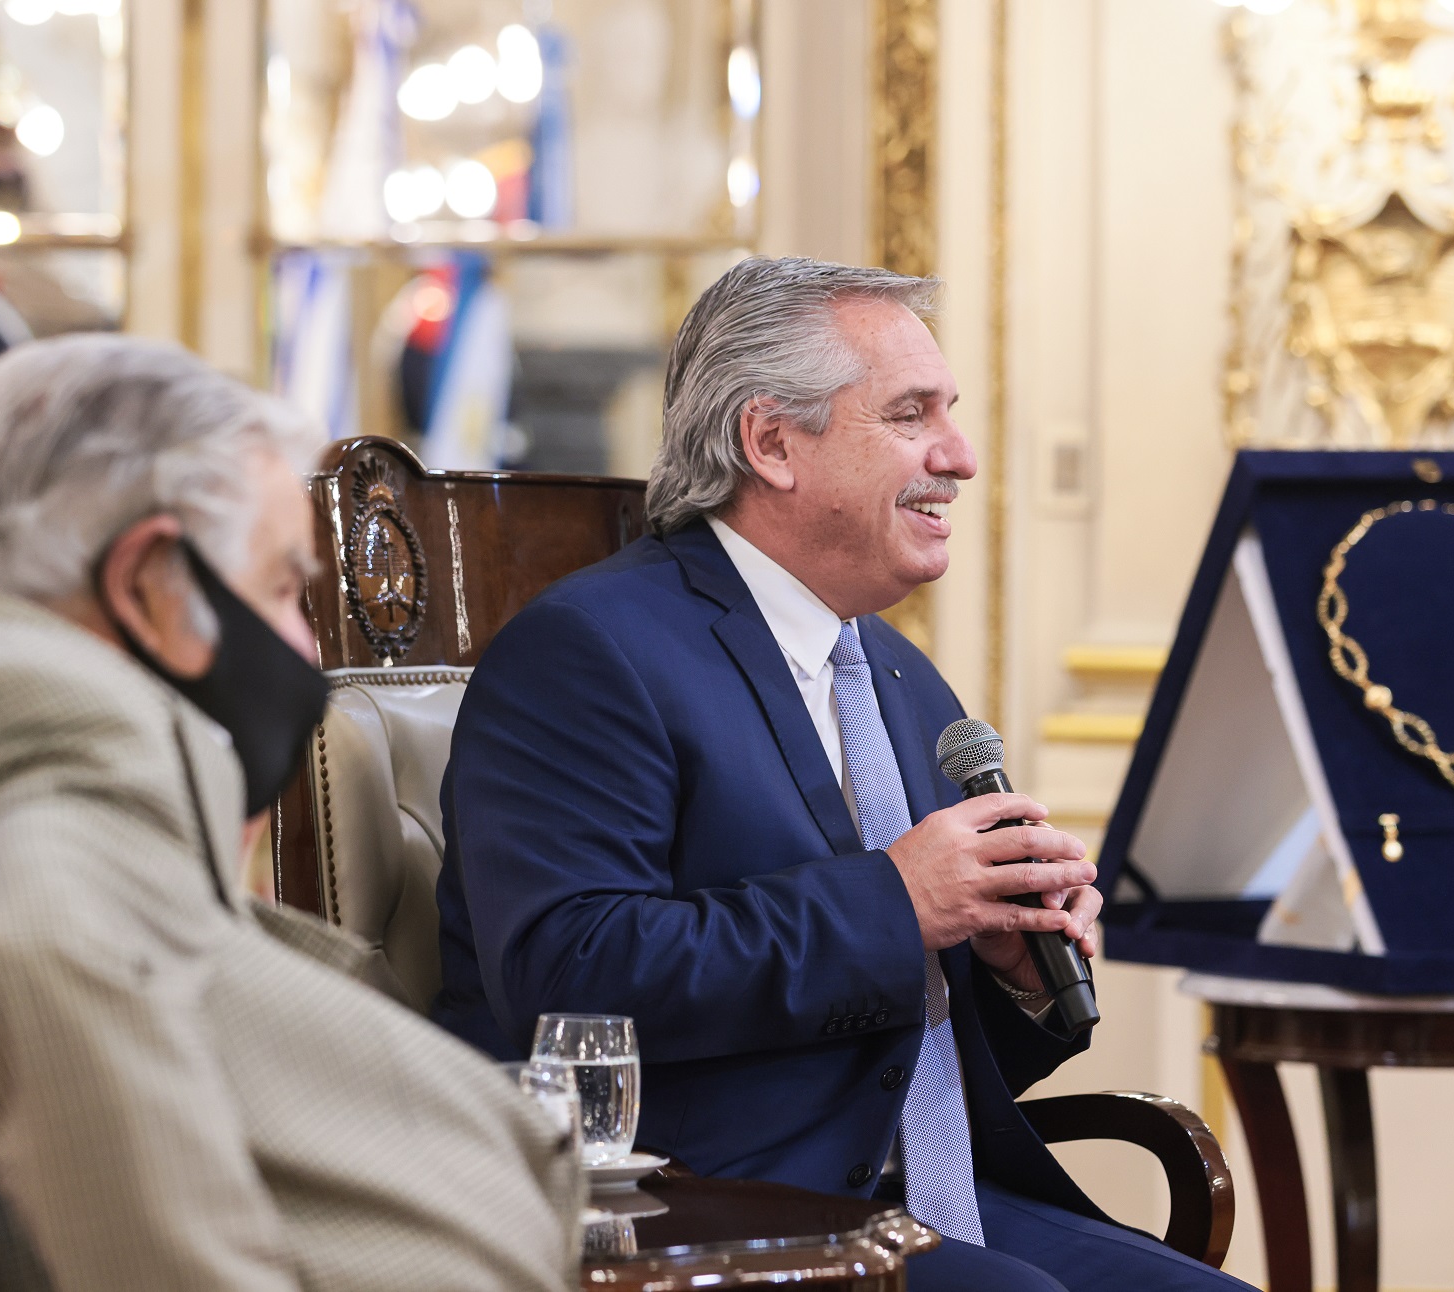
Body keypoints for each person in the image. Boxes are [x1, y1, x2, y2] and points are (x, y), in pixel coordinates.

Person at [435, 257, 1251, 1291]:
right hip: (699, 1208)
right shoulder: (589, 651)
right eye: (910, 415)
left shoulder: (900, 676)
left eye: (947, 413)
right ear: (770, 442)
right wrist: (898, 899)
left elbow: (911, 1060)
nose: (955, 456)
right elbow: (567, 976)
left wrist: (1004, 966)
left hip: (921, 1194)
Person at [0, 335, 582, 1292]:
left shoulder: (33, 801)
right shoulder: (58, 873)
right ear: (151, 586)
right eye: (280, 588)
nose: (306, 649)